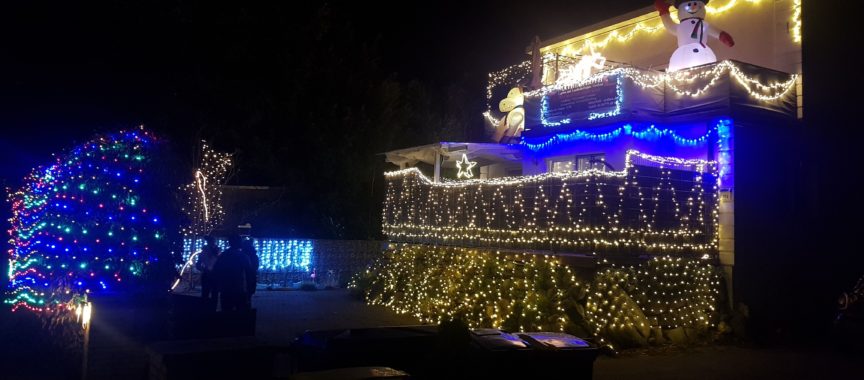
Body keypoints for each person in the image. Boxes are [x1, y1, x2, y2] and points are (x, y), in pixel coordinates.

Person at [213, 234, 253, 312]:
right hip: (239, 290)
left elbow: (216, 271)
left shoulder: (223, 255)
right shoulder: (243, 256)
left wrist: (218, 286)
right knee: (240, 316)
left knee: (226, 313)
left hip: (225, 290)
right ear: (238, 243)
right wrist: (249, 291)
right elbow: (249, 274)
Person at [196, 236, 220, 308]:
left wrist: (202, 269)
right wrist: (203, 269)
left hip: (212, 275)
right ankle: (207, 310)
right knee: (208, 294)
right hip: (209, 275)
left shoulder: (216, 251)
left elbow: (198, 264)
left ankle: (207, 310)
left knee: (210, 294)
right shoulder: (205, 251)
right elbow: (198, 264)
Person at [241, 237, 259, 308]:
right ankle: (247, 310)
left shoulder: (242, 255)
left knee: (242, 298)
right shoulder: (254, 256)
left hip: (242, 279)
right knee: (248, 297)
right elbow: (256, 266)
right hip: (251, 277)